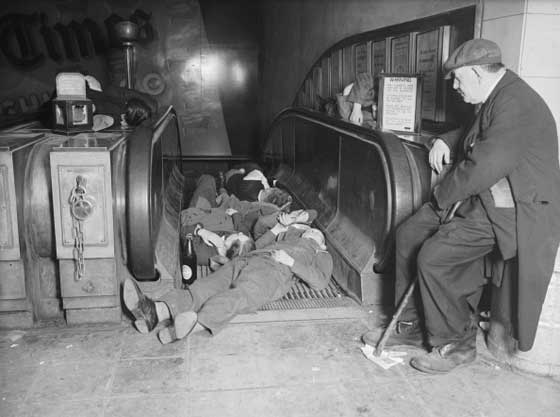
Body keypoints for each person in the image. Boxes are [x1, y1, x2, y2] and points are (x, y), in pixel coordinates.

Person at [361, 39, 560, 374]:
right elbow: (476, 133)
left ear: (478, 74)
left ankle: (455, 344)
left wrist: (441, 198)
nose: (454, 86)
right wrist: (446, 139)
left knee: (435, 257)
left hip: (511, 211)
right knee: (410, 234)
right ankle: (409, 328)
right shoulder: (498, 94)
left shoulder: (516, 103)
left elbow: (483, 167)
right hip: (484, 197)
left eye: (458, 79)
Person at [122, 218, 332, 344]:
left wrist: (291, 262)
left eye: (314, 232)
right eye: (308, 229)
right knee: (203, 288)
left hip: (274, 273)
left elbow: (321, 282)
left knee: (237, 296)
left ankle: (195, 322)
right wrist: (278, 227)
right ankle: (155, 311)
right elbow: (259, 241)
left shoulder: (320, 253)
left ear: (321, 242)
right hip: (245, 261)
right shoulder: (290, 238)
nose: (310, 231)